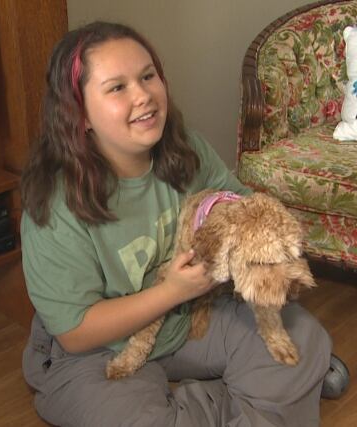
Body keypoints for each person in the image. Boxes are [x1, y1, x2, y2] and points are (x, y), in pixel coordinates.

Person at [19, 21, 333, 427]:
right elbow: (77, 331)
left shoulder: (185, 148)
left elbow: (238, 204)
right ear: (80, 115)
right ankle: (233, 402)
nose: (144, 95)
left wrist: (251, 237)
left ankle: (201, 403)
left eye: (148, 76)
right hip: (99, 350)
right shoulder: (54, 204)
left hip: (189, 319)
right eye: (117, 87)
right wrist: (171, 290)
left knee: (304, 338)